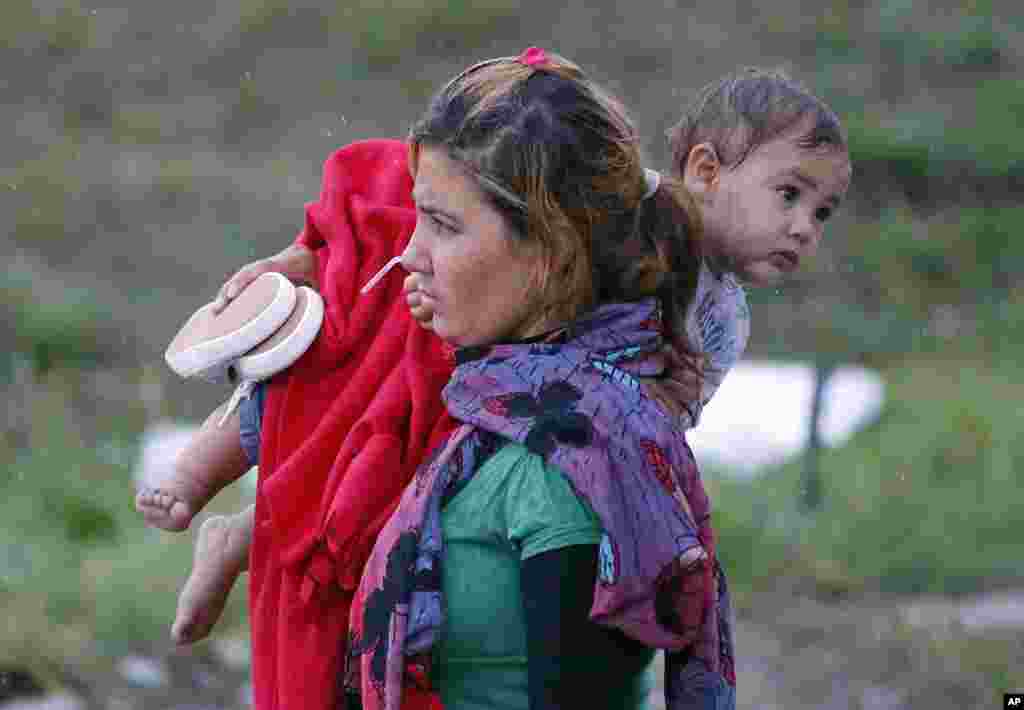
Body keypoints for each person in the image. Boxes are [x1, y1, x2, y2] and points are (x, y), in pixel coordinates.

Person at [152, 55, 850, 708]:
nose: (410, 252)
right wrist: (302, 259)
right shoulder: (507, 399)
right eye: (788, 195)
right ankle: (236, 518)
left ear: (550, 251)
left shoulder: (572, 470)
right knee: (343, 353)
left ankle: (244, 526)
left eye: (443, 226)